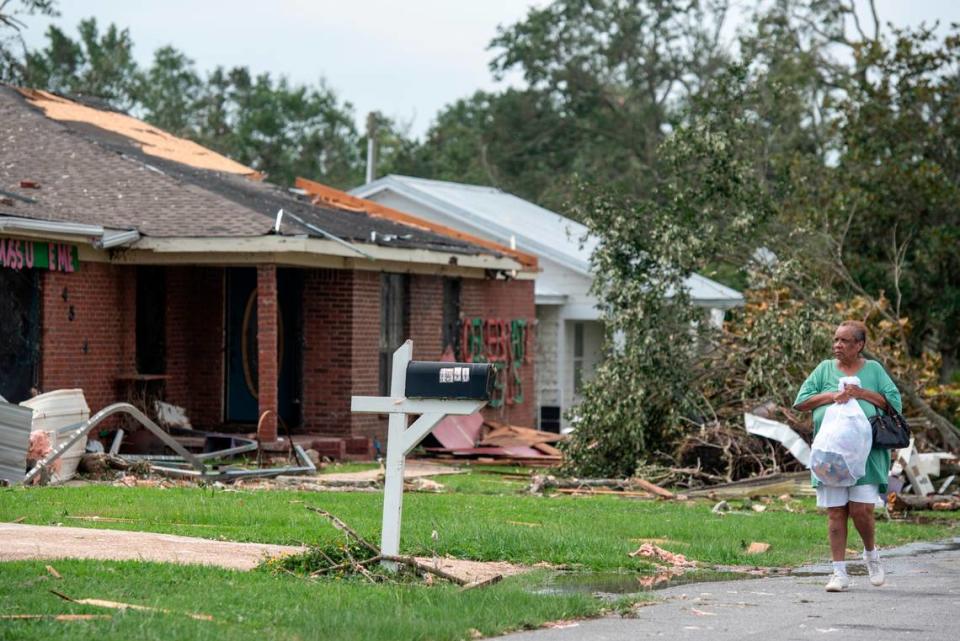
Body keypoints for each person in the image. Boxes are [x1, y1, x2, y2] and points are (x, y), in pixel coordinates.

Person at [794, 320, 901, 592]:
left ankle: (871, 555)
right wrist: (831, 395)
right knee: (835, 512)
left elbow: (894, 405)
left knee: (861, 511)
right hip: (831, 455)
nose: (837, 345)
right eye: (836, 340)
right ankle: (839, 573)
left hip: (868, 455)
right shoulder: (823, 369)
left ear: (859, 345)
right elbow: (801, 402)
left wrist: (861, 393)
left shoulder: (874, 370)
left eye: (844, 341)